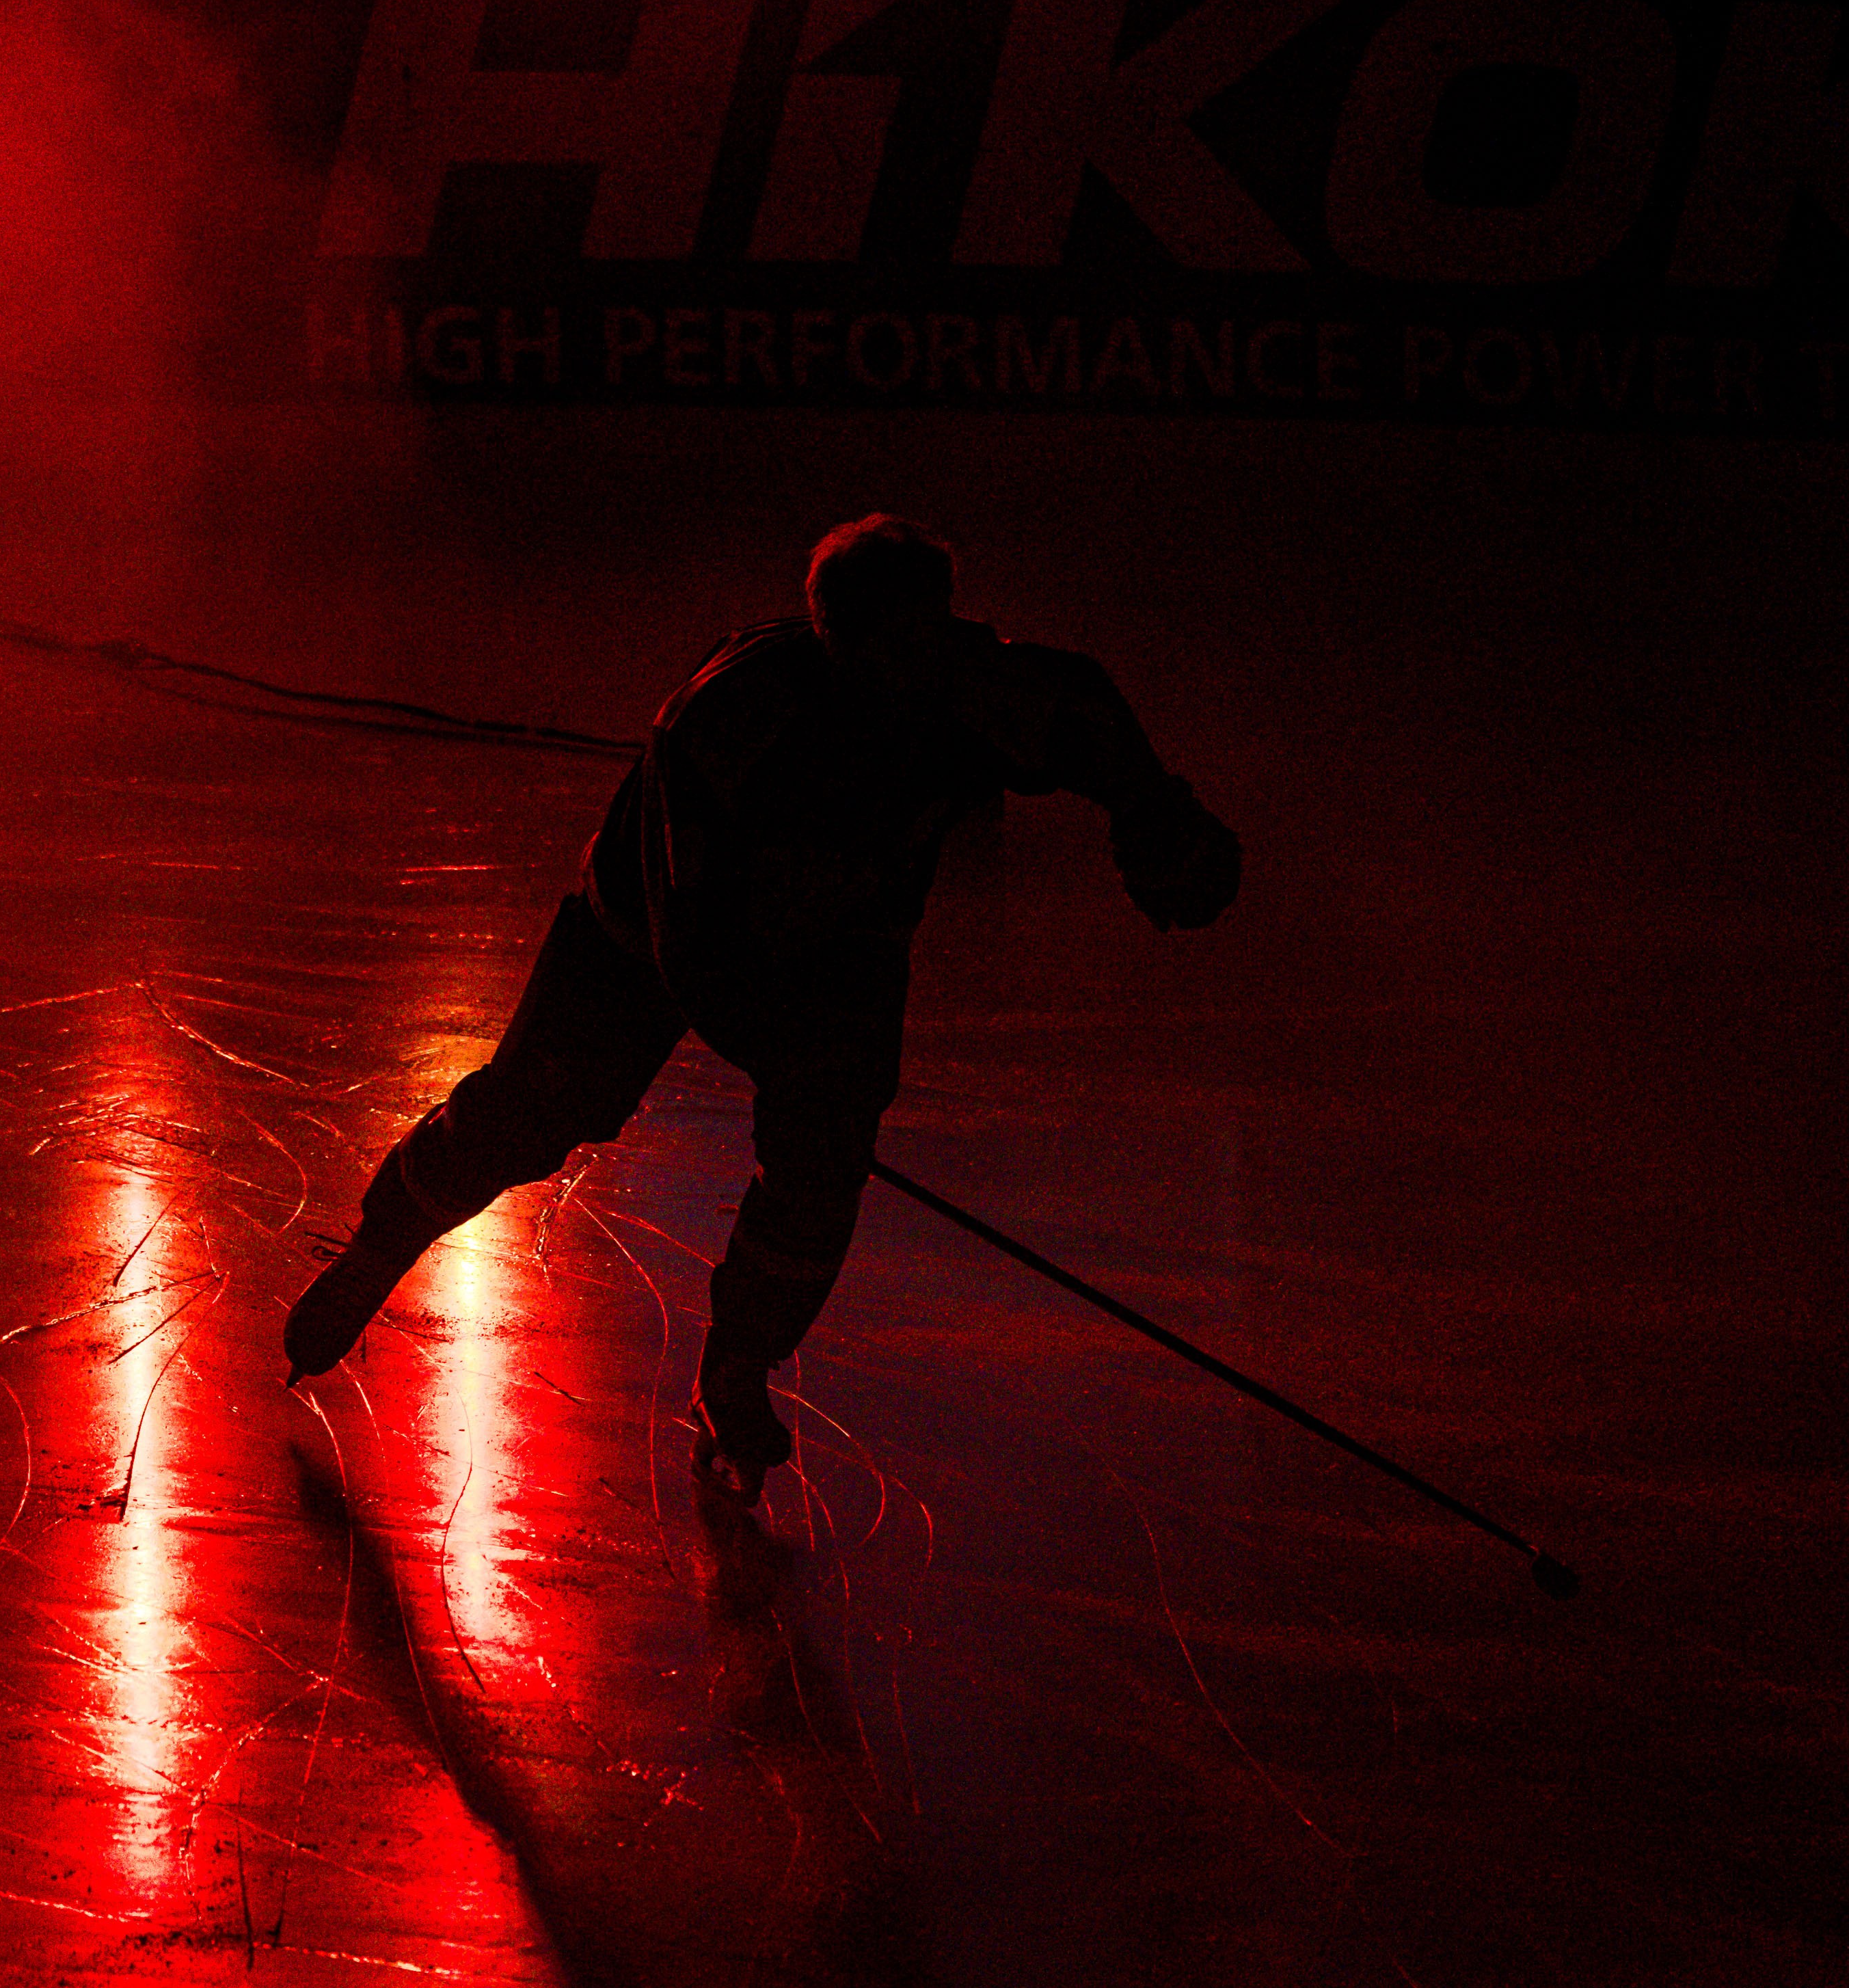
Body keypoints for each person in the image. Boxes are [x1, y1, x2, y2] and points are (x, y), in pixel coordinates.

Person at [283, 515, 1241, 1486]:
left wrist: (1159, 818)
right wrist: (780, 1050)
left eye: (926, 642)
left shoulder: (973, 685)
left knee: (819, 1168)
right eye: (887, 654)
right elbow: (689, 941)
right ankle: (380, 1247)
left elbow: (1082, 710)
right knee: (534, 1113)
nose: (911, 679)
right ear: (833, 641)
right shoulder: (729, 718)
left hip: (846, 937)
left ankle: (738, 1366)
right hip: (640, 932)